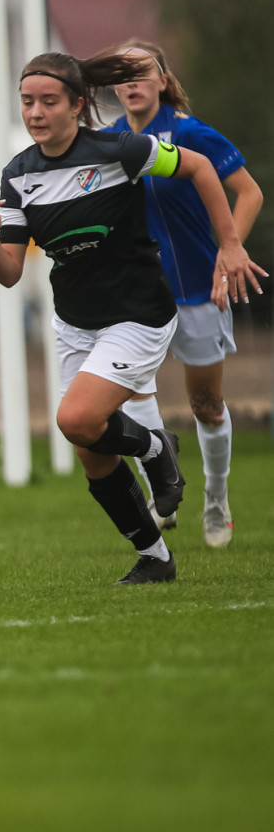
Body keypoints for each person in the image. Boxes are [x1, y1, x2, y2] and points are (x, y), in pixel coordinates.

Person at [0, 51, 264, 585]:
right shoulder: (17, 175)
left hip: (137, 312)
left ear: (77, 105)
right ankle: (155, 557)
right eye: (27, 101)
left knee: (75, 420)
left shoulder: (119, 149)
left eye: (48, 101)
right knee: (91, 451)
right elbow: (10, 273)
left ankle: (157, 449)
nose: (35, 112)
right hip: (74, 320)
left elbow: (200, 168)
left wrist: (229, 244)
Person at [99, 39, 263, 547]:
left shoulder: (191, 133)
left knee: (206, 404)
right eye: (122, 74)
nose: (131, 81)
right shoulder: (107, 141)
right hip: (136, 293)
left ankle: (217, 497)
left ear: (163, 81)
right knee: (129, 392)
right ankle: (162, 492)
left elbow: (250, 192)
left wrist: (229, 250)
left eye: (141, 72)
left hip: (197, 288)